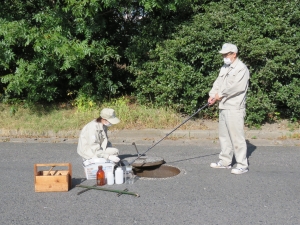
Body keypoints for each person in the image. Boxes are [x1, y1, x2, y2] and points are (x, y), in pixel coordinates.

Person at [208, 43, 250, 175]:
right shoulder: (225, 67)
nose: (224, 57)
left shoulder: (241, 69)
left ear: (234, 54)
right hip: (223, 106)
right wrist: (212, 95)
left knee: (237, 137)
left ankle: (242, 165)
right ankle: (225, 162)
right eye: (223, 55)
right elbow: (218, 82)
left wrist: (220, 94)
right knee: (224, 136)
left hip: (234, 107)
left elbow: (237, 88)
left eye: (226, 54)